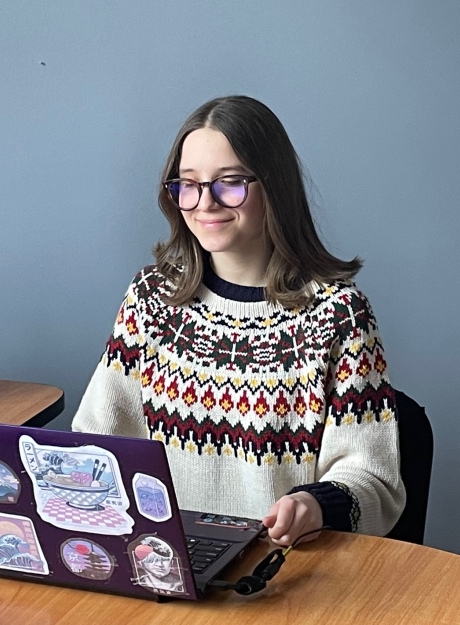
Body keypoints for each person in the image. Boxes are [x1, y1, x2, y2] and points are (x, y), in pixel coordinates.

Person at [72, 95, 405, 546]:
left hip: (281, 566)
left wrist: (315, 505)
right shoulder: (152, 299)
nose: (204, 203)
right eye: (188, 184)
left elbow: (376, 482)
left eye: (229, 183)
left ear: (274, 187)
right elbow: (95, 444)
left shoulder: (338, 314)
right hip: (163, 560)